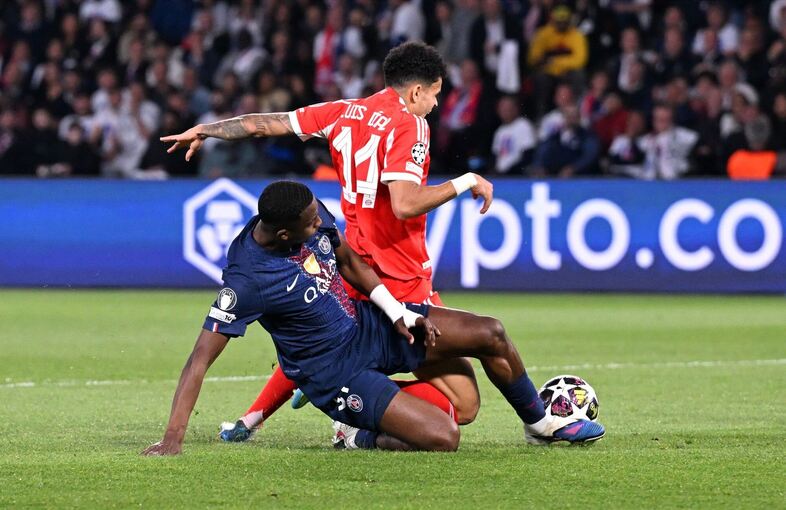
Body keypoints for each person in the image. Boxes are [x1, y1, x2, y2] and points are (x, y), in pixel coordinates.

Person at [160, 42, 494, 440]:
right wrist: (465, 182)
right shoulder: (411, 126)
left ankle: (254, 418)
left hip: (353, 259)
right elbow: (406, 204)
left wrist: (206, 129)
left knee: (323, 342)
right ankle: (342, 416)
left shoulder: (339, 112)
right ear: (417, 91)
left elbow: (261, 124)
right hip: (395, 270)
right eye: (436, 94)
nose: (436, 105)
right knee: (462, 406)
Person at [141, 181, 605, 455]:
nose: (320, 224)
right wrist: (172, 438)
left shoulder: (307, 212)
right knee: (444, 437)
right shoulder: (246, 280)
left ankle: (539, 424)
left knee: (491, 333)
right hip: (333, 372)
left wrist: (397, 311)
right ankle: (356, 433)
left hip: (369, 325)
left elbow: (350, 264)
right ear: (285, 234)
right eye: (310, 225)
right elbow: (199, 359)